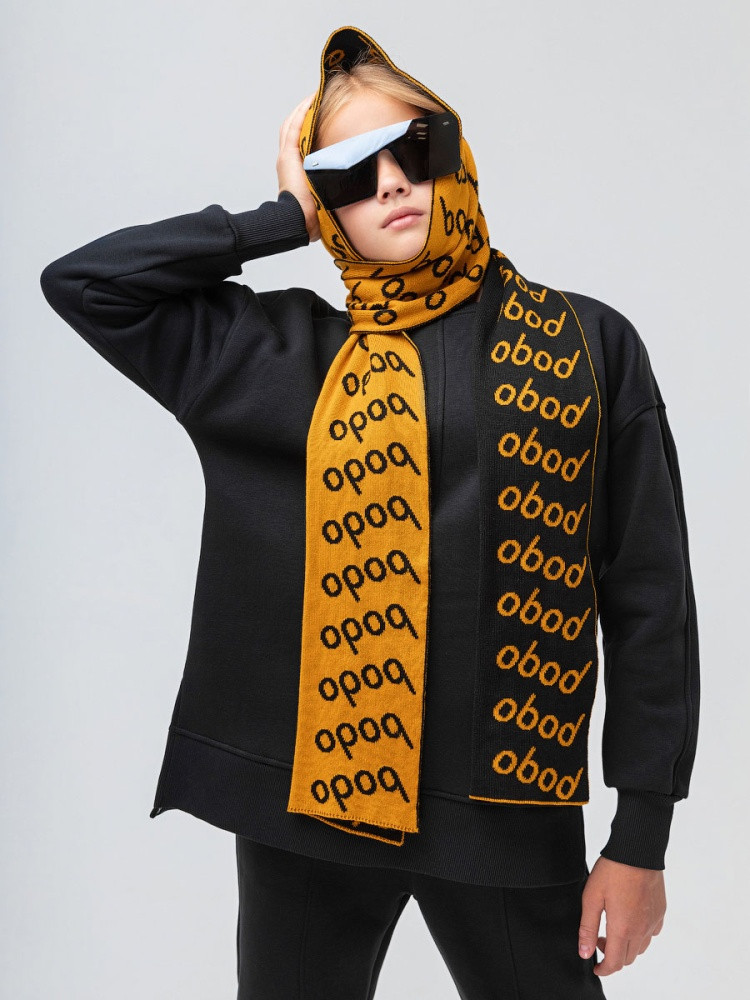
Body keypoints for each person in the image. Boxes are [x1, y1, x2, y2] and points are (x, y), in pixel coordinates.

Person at [39, 24, 699, 1000]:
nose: (390, 183)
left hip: (504, 811)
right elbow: (86, 284)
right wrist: (279, 220)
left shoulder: (587, 348)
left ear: (456, 153)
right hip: (304, 815)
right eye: (349, 172)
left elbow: (649, 597)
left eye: (415, 148)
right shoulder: (272, 357)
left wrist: (641, 836)